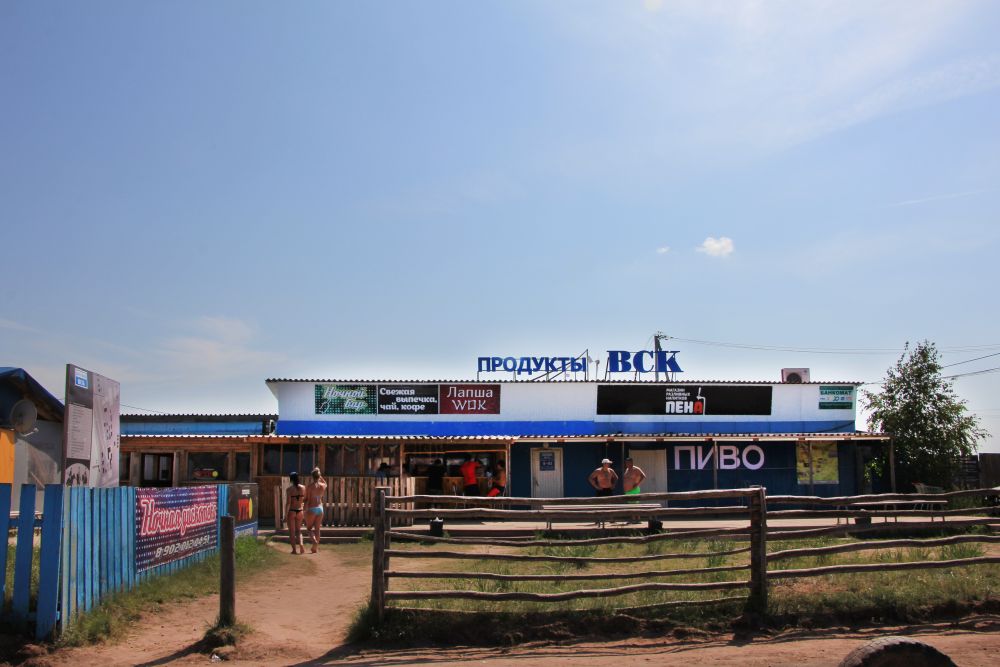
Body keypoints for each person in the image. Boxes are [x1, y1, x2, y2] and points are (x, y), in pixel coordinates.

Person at [304, 467, 327, 554]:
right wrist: (320, 476)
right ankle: (315, 548)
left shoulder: (309, 487)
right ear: (319, 476)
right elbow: (325, 483)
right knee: (317, 529)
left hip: (312, 508)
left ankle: (314, 541)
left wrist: (304, 509)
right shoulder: (322, 485)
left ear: (312, 477)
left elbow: (307, 499)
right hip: (320, 508)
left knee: (309, 529)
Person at [285, 471, 305, 554]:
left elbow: (288, 503)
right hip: (300, 510)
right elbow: (303, 500)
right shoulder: (303, 487)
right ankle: (301, 544)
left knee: (292, 532)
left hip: (292, 510)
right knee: (298, 530)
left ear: (291, 479)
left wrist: (285, 515)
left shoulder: (289, 489)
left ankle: (294, 550)